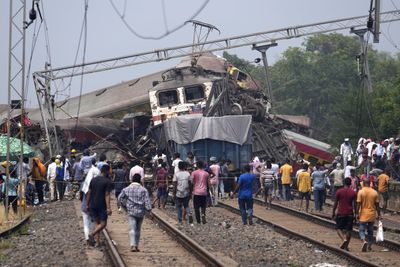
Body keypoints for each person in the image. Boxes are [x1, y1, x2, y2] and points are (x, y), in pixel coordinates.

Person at [118, 173, 152, 252]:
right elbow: (147, 202)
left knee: (132, 228)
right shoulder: (144, 190)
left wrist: (124, 205)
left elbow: (119, 198)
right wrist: (150, 211)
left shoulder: (127, 189)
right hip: (141, 212)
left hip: (131, 211)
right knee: (138, 229)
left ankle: (132, 245)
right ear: (140, 180)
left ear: (132, 180)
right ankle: (136, 245)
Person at [86, 164, 113, 246]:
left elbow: (89, 193)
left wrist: (87, 204)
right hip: (101, 205)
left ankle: (98, 242)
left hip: (92, 204)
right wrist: (108, 208)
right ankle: (92, 234)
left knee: (97, 223)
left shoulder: (93, 180)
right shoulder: (107, 181)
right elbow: (107, 195)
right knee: (103, 224)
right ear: (107, 171)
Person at [332, 178, 357, 251]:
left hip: (341, 212)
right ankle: (346, 246)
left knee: (338, 228)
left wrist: (333, 212)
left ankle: (343, 239)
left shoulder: (339, 191)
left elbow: (336, 203)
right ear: (350, 184)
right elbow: (355, 205)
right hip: (350, 213)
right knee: (349, 230)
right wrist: (356, 214)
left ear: (343, 183)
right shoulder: (353, 192)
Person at [357, 179, 381, 252]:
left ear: (363, 184)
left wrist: (356, 214)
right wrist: (379, 214)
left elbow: (358, 204)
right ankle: (369, 245)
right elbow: (377, 205)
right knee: (370, 231)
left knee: (361, 229)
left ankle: (364, 240)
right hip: (372, 214)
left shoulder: (361, 192)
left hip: (363, 214)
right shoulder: (374, 192)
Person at [80, 158, 99, 245]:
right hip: (91, 206)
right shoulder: (95, 186)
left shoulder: (85, 184)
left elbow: (82, 194)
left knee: (86, 224)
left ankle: (88, 239)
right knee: (92, 223)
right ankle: (91, 238)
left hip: (85, 206)